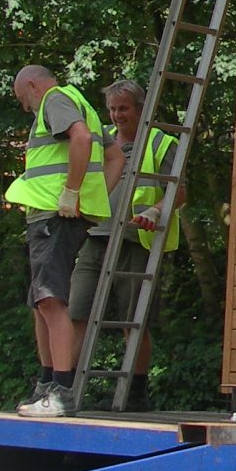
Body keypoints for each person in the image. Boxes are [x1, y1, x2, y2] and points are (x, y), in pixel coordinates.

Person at [70, 79, 183, 413]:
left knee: (132, 321)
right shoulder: (101, 139)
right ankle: (63, 386)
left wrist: (155, 210)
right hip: (95, 237)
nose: (117, 115)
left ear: (140, 108)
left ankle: (135, 393)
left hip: (136, 240)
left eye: (123, 108)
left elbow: (181, 190)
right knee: (76, 310)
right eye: (112, 109)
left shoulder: (161, 142)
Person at [6, 65, 110, 418]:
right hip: (56, 214)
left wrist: (72, 193)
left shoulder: (55, 99)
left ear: (33, 85)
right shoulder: (80, 103)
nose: (26, 108)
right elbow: (115, 156)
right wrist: (93, 198)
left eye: (23, 99)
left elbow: (80, 139)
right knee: (41, 301)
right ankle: (47, 383)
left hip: (54, 214)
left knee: (50, 299)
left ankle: (61, 391)